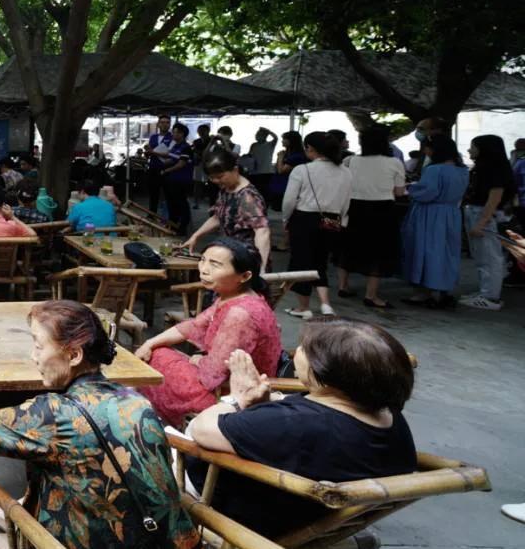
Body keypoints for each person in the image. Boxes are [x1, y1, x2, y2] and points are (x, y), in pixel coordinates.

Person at [0, 300, 198, 549]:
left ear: (75, 355)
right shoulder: (136, 401)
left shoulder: (55, 413)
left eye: (38, 346)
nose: (33, 356)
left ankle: (18, 524)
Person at [186, 320, 417, 540]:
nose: (297, 351)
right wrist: (265, 403)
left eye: (306, 349)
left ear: (327, 372)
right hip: (318, 517)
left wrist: (238, 399)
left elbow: (201, 428)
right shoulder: (389, 416)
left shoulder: (297, 424)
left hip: (238, 508)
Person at [135, 238, 281, 426]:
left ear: (244, 276)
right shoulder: (233, 297)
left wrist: (197, 360)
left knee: (157, 360)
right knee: (157, 351)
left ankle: (153, 422)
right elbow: (193, 326)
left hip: (232, 396)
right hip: (223, 383)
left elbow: (212, 375)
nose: (204, 269)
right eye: (203, 260)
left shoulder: (240, 314)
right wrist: (150, 342)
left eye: (215, 264)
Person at [281, 131, 351, 319]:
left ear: (310, 148)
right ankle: (326, 305)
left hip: (304, 219)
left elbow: (289, 200)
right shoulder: (345, 171)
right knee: (320, 261)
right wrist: (341, 221)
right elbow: (346, 201)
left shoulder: (302, 170)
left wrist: (286, 219)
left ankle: (303, 308)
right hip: (332, 220)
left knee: (301, 262)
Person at [337, 127, 407, 309]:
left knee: (348, 246)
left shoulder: (350, 160)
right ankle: (371, 295)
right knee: (378, 251)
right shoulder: (394, 162)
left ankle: (343, 286)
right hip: (382, 210)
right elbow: (400, 192)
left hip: (354, 208)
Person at [401, 134, 470, 309]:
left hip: (430, 214)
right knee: (446, 252)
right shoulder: (462, 170)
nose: (425, 151)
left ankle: (424, 293)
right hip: (451, 214)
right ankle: (443, 291)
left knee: (425, 251)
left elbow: (428, 192)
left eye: (427, 147)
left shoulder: (434, 169)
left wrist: (411, 189)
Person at [182, 147, 272, 269]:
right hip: (230, 255)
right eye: (212, 177)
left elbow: (262, 232)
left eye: (220, 176)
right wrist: (195, 236)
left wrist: (261, 269)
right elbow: (217, 217)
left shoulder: (248, 197)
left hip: (246, 260)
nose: (215, 181)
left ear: (235, 170)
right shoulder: (226, 188)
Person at [460, 134, 515, 311]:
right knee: (483, 256)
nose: (469, 150)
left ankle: (490, 297)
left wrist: (481, 223)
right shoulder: (485, 167)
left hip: (484, 214)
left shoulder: (494, 169)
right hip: (479, 213)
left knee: (489, 258)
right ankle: (485, 292)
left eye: (473, 146)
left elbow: (494, 197)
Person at [159, 122, 195, 233]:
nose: (173, 134)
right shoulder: (175, 146)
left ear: (182, 134)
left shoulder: (186, 147)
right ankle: (173, 224)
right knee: (171, 203)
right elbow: (171, 160)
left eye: (176, 132)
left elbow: (181, 164)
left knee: (181, 203)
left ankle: (183, 227)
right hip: (171, 179)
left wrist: (166, 170)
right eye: (173, 132)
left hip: (181, 180)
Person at [269, 130, 307, 212]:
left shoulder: (296, 156)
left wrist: (280, 157)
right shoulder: (287, 154)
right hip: (279, 186)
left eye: (284, 139)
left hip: (285, 187)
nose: (282, 141)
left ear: (291, 141)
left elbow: (281, 170)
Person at [144, 114, 174, 214]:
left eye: (167, 122)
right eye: (162, 122)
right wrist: (147, 153)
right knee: (153, 193)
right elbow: (150, 152)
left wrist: (153, 152)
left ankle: (169, 216)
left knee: (168, 193)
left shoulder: (172, 137)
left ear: (170, 125)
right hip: (153, 167)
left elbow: (172, 154)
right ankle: (152, 214)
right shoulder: (153, 137)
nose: (165, 124)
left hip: (167, 169)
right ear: (158, 124)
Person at [248, 127, 277, 202]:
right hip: (254, 172)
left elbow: (276, 137)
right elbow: (249, 156)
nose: (256, 136)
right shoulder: (253, 145)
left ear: (265, 136)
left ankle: (265, 205)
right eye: (256, 134)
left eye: (259, 134)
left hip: (266, 172)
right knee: (255, 192)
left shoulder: (270, 144)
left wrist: (268, 131)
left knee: (265, 192)